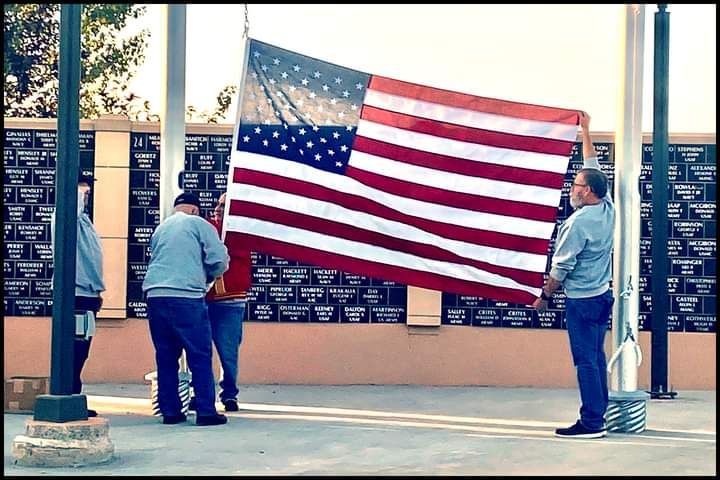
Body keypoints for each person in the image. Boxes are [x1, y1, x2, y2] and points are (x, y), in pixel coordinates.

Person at [532, 111, 615, 439]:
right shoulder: (606, 205)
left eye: (577, 184)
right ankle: (600, 415)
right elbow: (592, 164)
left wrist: (545, 296)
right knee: (596, 356)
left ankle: (592, 423)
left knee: (586, 361)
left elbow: (562, 267)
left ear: (589, 192)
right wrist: (586, 130)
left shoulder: (578, 224)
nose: (573, 187)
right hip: (602, 296)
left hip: (582, 302)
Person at [142, 192, 230, 426]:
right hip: (186, 296)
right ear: (195, 210)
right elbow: (219, 259)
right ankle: (205, 411)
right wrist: (209, 276)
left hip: (156, 295)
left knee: (166, 355)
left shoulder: (161, 228)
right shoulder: (199, 224)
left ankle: (170, 411)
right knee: (199, 355)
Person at [189, 193, 251, 412]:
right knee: (198, 349)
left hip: (231, 300)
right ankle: (199, 392)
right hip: (202, 298)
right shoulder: (205, 227)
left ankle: (229, 394)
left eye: (223, 205)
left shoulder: (242, 232)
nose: (217, 208)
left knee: (228, 351)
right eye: (217, 204)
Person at [51, 173, 105, 417]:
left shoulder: (84, 221)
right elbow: (70, 204)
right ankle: (69, 398)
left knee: (81, 349)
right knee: (73, 349)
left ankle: (74, 396)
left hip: (87, 293)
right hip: (75, 293)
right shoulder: (65, 216)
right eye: (84, 191)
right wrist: (76, 189)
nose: (88, 194)